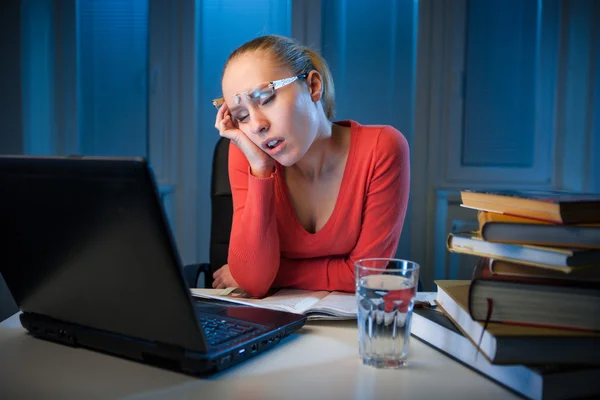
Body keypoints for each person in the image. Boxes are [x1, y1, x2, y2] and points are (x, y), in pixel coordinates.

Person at [212, 35, 410, 297]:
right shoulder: (248, 155)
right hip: (280, 325)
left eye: (266, 98)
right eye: (242, 116)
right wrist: (261, 169)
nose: (257, 125)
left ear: (313, 86)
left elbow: (366, 275)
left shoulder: (382, 149)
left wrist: (277, 272)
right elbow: (253, 282)